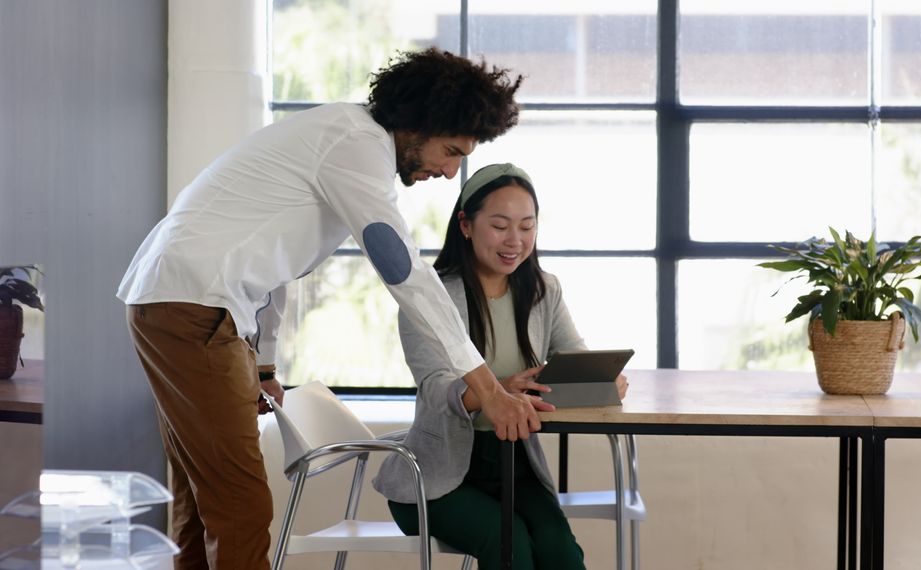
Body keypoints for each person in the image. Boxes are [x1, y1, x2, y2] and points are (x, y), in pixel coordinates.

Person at [117, 49, 540, 570]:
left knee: (204, 501)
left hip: (180, 304)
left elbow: (278, 265)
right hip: (193, 307)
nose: (451, 172)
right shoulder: (356, 146)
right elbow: (404, 272)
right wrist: (488, 388)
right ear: (417, 123)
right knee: (241, 503)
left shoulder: (337, 138)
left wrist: (264, 364)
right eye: (450, 152)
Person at [373, 163, 629, 569]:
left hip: (515, 464)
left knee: (561, 553)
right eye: (500, 225)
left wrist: (601, 378)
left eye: (527, 227)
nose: (515, 241)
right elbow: (437, 388)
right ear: (466, 225)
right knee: (510, 544)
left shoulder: (544, 290)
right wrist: (497, 389)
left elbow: (573, 356)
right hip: (435, 480)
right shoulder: (428, 298)